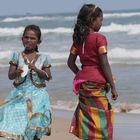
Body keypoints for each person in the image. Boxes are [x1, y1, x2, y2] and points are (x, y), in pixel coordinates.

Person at [67, 4, 118, 140]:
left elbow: (70, 63)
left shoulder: (78, 39)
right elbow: (104, 63)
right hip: (97, 84)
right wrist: (113, 86)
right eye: (100, 20)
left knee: (88, 117)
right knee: (103, 115)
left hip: (84, 85)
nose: (101, 23)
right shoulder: (99, 38)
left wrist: (81, 75)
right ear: (92, 20)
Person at [0, 25, 52, 140]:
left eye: (32, 38)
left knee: (35, 124)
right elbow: (10, 76)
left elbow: (48, 77)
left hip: (39, 97)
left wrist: (37, 70)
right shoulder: (16, 56)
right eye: (26, 37)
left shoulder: (44, 57)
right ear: (22, 39)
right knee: (17, 122)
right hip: (19, 96)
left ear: (39, 41)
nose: (28, 40)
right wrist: (17, 73)